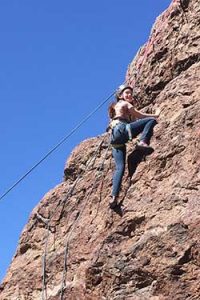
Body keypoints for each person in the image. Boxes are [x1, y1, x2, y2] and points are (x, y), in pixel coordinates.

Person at [108, 84, 160, 208]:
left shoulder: (117, 108)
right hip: (122, 129)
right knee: (151, 121)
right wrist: (156, 115)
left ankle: (114, 197)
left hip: (116, 140)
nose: (129, 95)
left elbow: (133, 123)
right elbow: (140, 116)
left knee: (120, 167)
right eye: (127, 93)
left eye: (131, 93)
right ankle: (143, 142)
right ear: (120, 96)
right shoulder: (124, 104)